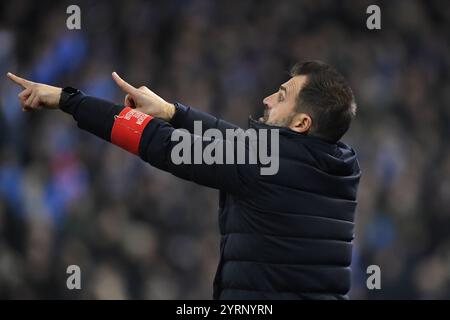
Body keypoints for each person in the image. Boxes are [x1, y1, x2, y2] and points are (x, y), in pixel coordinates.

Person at [7, 60, 361, 299]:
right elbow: (241, 144)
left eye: (281, 96)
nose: (267, 99)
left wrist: (70, 101)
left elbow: (159, 143)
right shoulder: (339, 167)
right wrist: (173, 112)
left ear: (301, 124)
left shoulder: (264, 161)